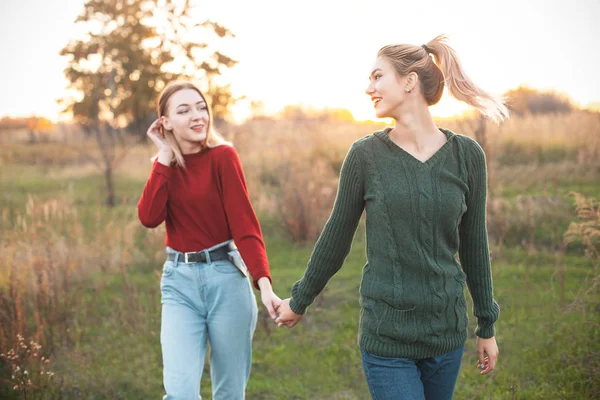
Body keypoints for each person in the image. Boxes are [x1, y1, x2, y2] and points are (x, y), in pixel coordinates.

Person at [276, 34, 505, 400]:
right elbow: (337, 236)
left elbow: (475, 245)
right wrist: (299, 300)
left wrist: (486, 326)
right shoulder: (365, 156)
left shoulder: (467, 156)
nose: (369, 87)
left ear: (410, 82)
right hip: (387, 338)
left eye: (378, 76)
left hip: (445, 334)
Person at [137, 80, 281, 400]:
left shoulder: (223, 157)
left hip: (226, 280)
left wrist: (265, 284)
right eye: (184, 110)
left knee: (229, 392)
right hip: (179, 284)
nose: (197, 116)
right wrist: (163, 155)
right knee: (180, 392)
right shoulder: (164, 167)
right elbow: (148, 217)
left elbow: (245, 226)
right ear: (166, 123)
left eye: (201, 107)